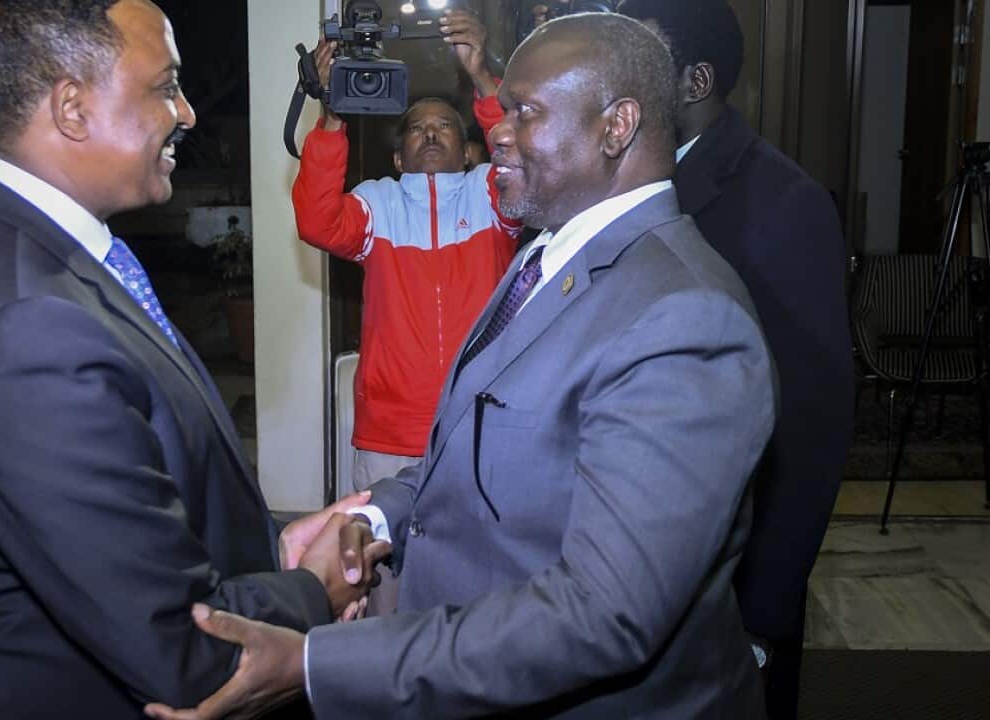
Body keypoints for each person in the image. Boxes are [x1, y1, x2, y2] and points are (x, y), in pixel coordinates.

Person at [146, 13, 775, 720]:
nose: (497, 132)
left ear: (616, 126)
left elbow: (603, 614)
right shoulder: (544, 257)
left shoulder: (684, 316)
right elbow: (480, 447)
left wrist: (315, 662)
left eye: (524, 111)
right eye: (502, 111)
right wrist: (379, 514)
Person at [0, 2, 381, 718]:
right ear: (73, 109)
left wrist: (270, 549)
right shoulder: (31, 323)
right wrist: (313, 590)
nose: (188, 113)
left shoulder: (18, 247)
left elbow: (125, 506)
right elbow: (176, 646)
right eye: (165, 87)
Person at [617, 3, 854, 717]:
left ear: (694, 82)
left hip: (728, 587)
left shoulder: (785, 204)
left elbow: (810, 427)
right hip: (633, 569)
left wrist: (762, 614)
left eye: (637, 58)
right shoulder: (617, 175)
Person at [295, 9, 521, 495]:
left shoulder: (491, 192)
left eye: (445, 126)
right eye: (418, 128)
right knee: (385, 546)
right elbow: (316, 221)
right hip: (391, 434)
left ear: (469, 152)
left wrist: (481, 77)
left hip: (482, 422)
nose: (432, 133)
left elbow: (524, 160)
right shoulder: (377, 202)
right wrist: (332, 112)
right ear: (398, 158)